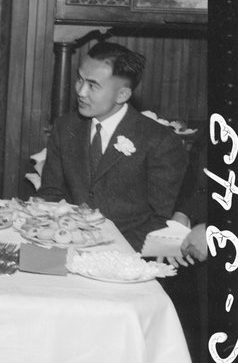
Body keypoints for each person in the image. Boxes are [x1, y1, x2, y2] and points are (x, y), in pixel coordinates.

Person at [38, 41, 188, 252]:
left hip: (128, 254)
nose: (81, 91)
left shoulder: (159, 140)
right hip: (66, 246)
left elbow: (160, 218)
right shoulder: (65, 127)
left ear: (122, 95)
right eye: (79, 79)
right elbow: (50, 195)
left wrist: (110, 250)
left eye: (93, 85)